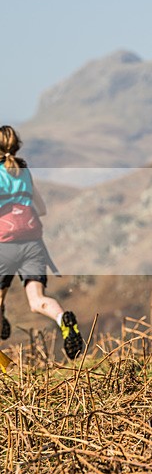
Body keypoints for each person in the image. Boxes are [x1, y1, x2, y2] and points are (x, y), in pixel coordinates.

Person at [0, 125, 84, 360]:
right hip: (32, 244)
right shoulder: (24, 172)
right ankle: (62, 319)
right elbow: (42, 209)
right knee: (37, 301)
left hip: (4, 245)